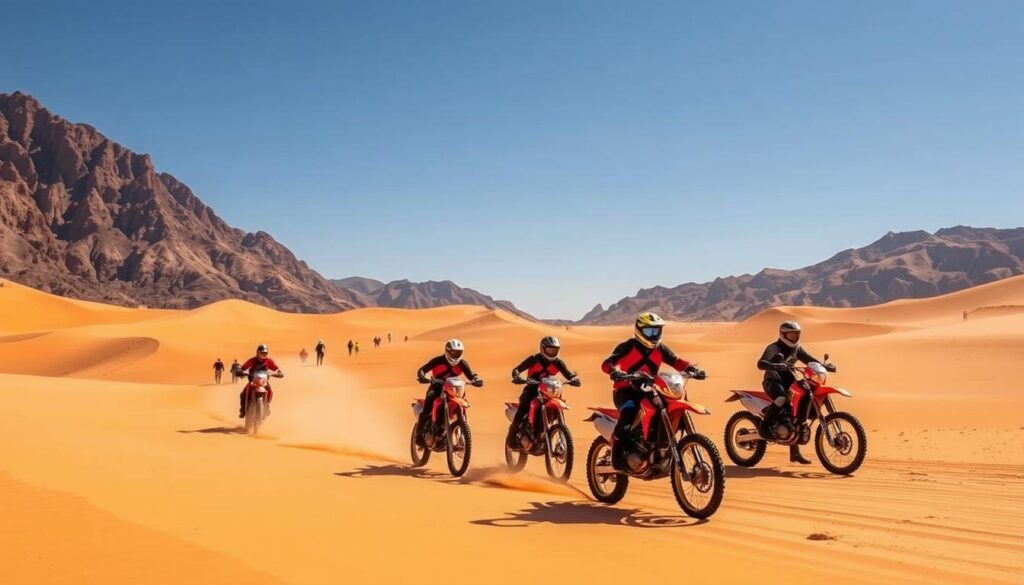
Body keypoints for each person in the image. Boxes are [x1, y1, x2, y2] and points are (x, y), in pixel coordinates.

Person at [601, 312, 706, 471]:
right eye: (650, 331)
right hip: (626, 390)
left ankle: (656, 444)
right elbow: (607, 363)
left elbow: (676, 361)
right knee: (630, 409)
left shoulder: (660, 349)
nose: (654, 335)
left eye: (657, 331)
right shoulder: (628, 346)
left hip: (649, 388)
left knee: (666, 405)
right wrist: (614, 371)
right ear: (639, 330)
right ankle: (617, 452)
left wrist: (692, 368)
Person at [756, 321, 836, 464]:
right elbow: (761, 363)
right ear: (783, 334)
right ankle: (765, 426)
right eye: (791, 334)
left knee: (796, 411)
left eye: (796, 335)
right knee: (781, 398)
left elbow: (810, 360)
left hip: (789, 381)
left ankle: (795, 453)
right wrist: (774, 364)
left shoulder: (797, 349)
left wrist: (823, 366)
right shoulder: (774, 347)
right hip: (773, 382)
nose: (793, 337)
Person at [507, 337, 580, 448]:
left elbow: (568, 374)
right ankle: (511, 438)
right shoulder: (534, 359)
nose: (552, 353)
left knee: (558, 403)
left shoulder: (558, 362)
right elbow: (517, 369)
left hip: (548, 391)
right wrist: (517, 376)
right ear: (542, 349)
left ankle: (551, 431)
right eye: (550, 350)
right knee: (522, 409)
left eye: (554, 350)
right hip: (532, 390)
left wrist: (573, 379)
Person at [414, 339, 483, 444]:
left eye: (459, 353)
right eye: (454, 352)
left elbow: (471, 375)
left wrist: (475, 380)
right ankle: (419, 435)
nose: (456, 355)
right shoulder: (438, 360)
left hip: (454, 389)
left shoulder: (462, 363)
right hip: (437, 387)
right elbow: (422, 369)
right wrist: (422, 376)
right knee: (428, 403)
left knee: (463, 401)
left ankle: (462, 434)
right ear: (447, 351)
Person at [237, 344, 284, 418]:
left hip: (264, 382)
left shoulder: (269, 361)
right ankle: (242, 410)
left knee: (270, 391)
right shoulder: (252, 360)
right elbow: (243, 367)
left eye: (265, 353)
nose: (263, 354)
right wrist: (240, 371)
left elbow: (276, 368)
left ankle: (267, 405)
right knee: (243, 393)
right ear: (257, 353)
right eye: (262, 353)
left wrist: (279, 372)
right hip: (253, 382)